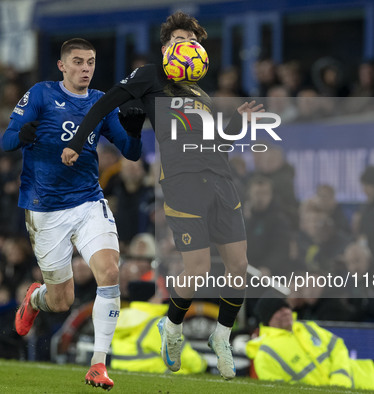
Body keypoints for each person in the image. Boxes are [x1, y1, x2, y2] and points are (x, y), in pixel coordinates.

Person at [61, 12, 262, 380]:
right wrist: (78, 141)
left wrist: (238, 123)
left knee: (237, 267)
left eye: (190, 41)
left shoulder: (201, 92)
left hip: (220, 179)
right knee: (198, 270)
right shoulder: (150, 75)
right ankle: (171, 327)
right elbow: (104, 105)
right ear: (166, 46)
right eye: (176, 40)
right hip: (182, 182)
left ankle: (222, 337)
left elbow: (218, 141)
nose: (182, 46)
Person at [2, 38, 145, 390]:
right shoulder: (40, 94)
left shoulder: (100, 102)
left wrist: (135, 127)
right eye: (78, 62)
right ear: (62, 66)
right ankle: (35, 298)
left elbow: (131, 152)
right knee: (61, 300)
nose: (85, 68)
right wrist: (22, 134)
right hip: (45, 209)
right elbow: (6, 140)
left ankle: (99, 364)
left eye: (91, 62)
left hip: (87, 201)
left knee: (110, 270)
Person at [246, 297, 374, 391]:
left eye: (285, 307)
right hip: (331, 389)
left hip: (354, 376)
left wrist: (340, 378)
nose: (285, 312)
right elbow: (279, 390)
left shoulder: (307, 327)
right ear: (267, 318)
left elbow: (337, 345)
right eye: (277, 310)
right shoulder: (265, 354)